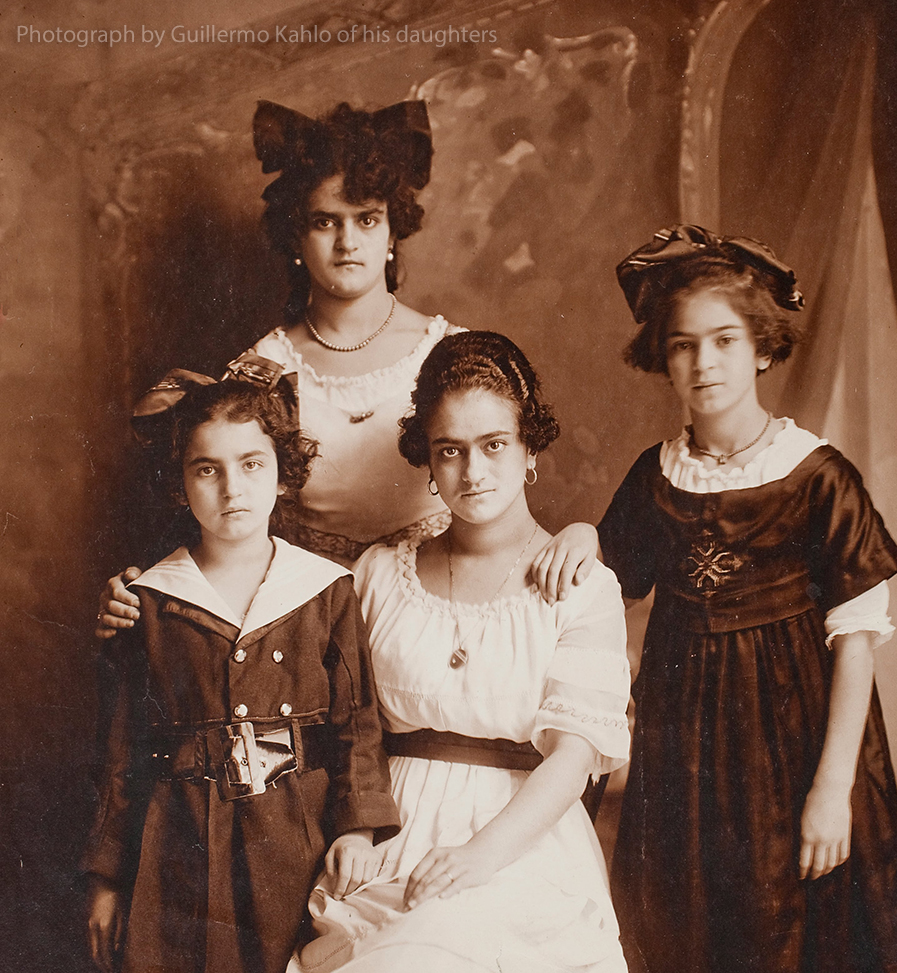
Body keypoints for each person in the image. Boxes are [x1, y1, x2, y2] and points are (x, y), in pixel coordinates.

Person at [95, 98, 589, 637]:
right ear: (297, 239)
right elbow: (222, 506)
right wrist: (146, 588)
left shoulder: (454, 356)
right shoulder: (262, 369)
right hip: (307, 620)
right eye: (325, 222)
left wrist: (583, 535)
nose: (348, 241)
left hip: (439, 604)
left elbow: (504, 493)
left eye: (367, 219)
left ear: (393, 232)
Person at [598, 225, 897, 973]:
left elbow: (857, 641)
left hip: (795, 737)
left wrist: (833, 786)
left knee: (791, 922)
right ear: (662, 358)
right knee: (684, 917)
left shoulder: (817, 476)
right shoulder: (655, 476)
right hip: (684, 748)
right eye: (683, 344)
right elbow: (608, 585)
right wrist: (581, 534)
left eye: (725, 340)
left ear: (764, 347)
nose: (704, 362)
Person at [289, 331, 632, 973]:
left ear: (530, 449)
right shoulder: (382, 574)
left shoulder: (579, 584)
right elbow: (340, 716)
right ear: (428, 460)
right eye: (451, 451)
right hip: (388, 832)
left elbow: (573, 757)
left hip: (519, 841)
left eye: (494, 445)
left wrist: (478, 856)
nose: (473, 473)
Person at [83, 362, 400, 973]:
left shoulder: (325, 591)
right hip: (177, 846)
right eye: (208, 470)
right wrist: (106, 880)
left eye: (252, 464)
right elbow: (121, 753)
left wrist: (356, 829)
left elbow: (356, 725)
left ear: (284, 474)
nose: (233, 489)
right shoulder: (150, 602)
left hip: (294, 837)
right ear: (179, 485)